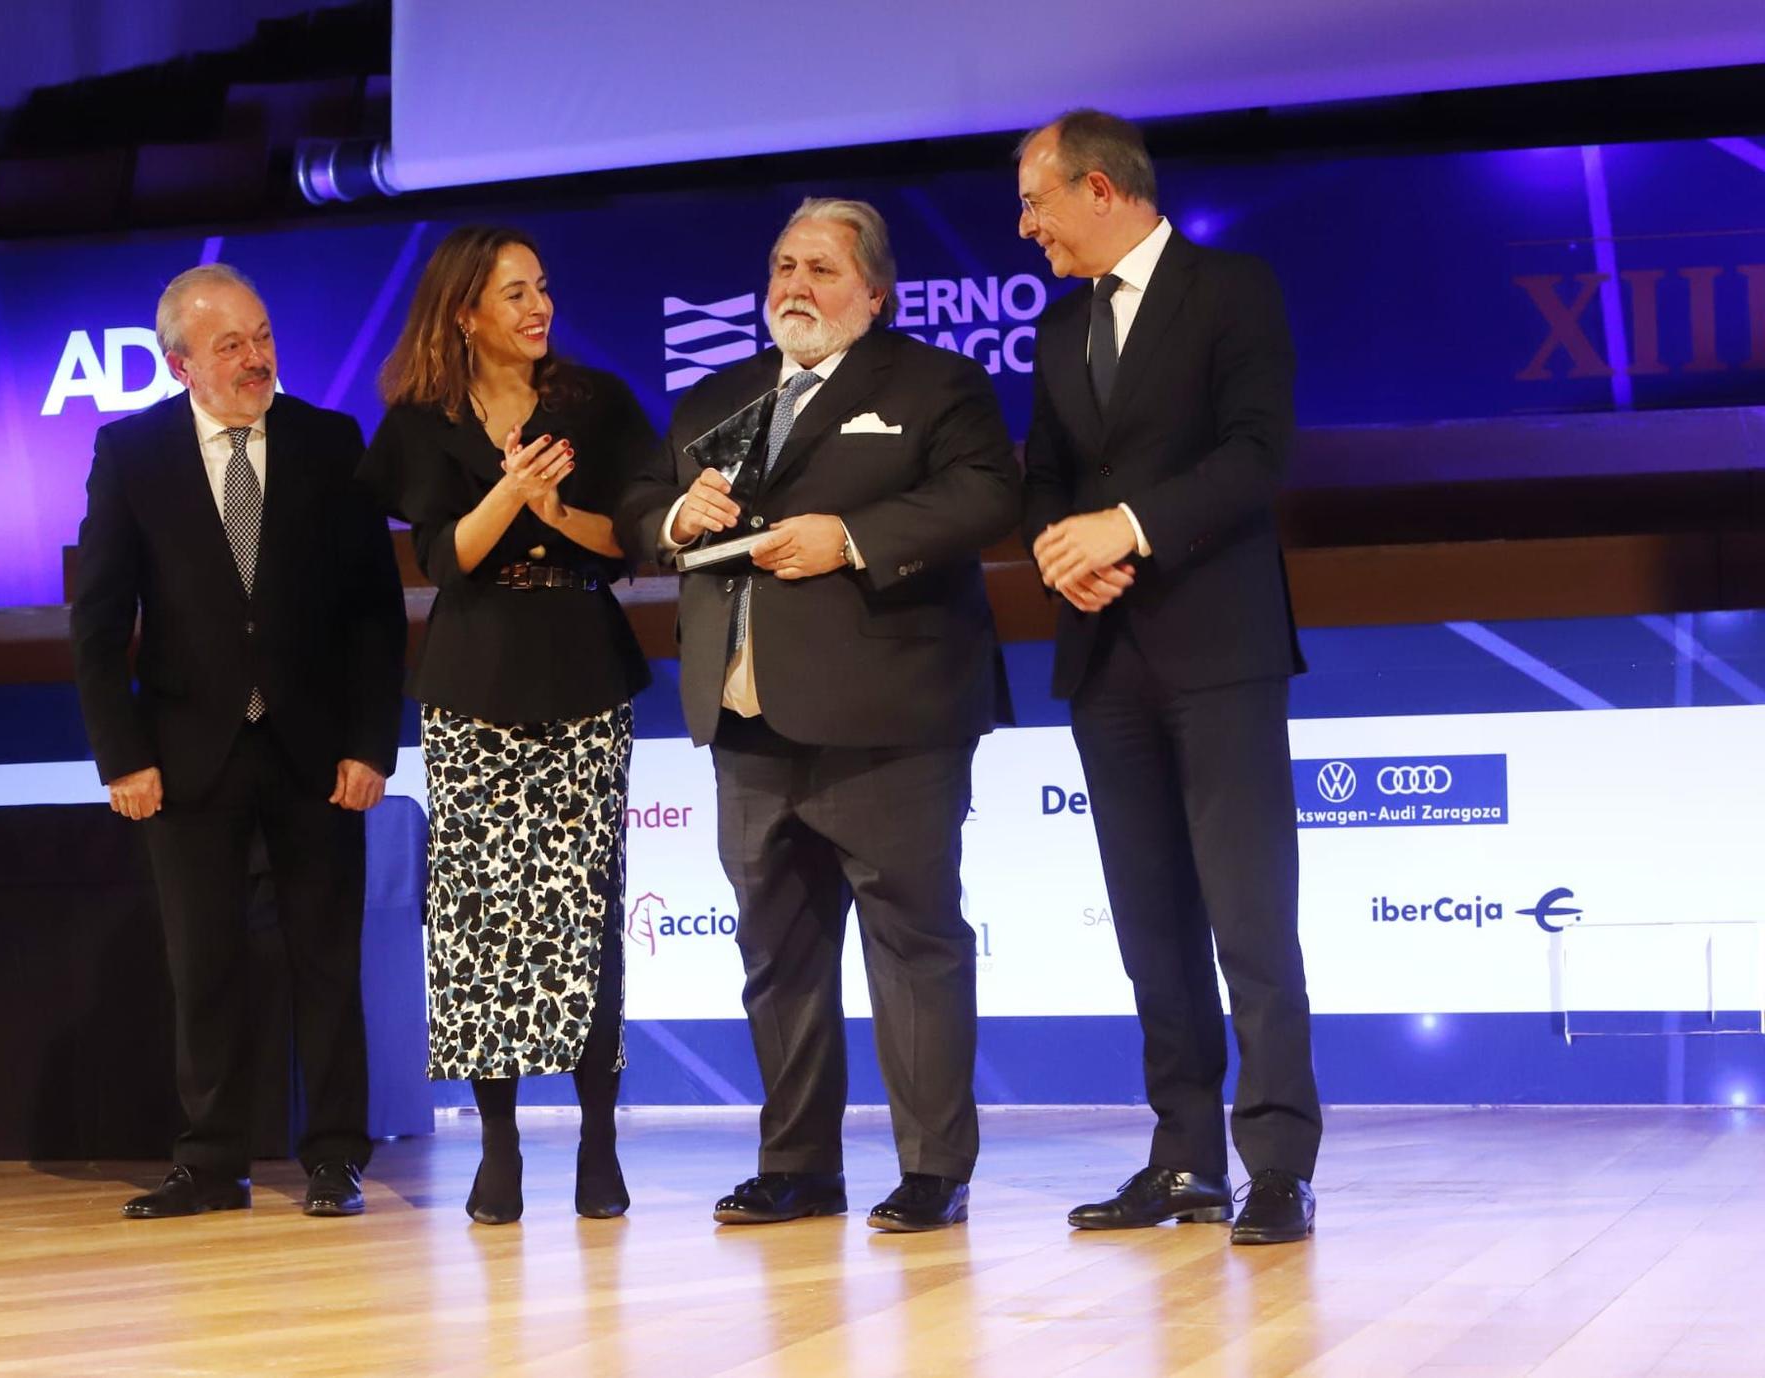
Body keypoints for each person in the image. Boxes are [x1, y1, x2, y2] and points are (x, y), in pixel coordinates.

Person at [618, 198, 1019, 1233]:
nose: (795, 286)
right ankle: (795, 1162)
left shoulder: (935, 386)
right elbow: (639, 507)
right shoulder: (716, 398)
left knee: (912, 945)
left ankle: (932, 1167)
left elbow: (985, 497)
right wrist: (672, 516)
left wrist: (846, 535)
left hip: (889, 723)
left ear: (874, 293)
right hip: (746, 724)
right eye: (782, 266)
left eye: (823, 270)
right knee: (776, 956)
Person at [1015, 110, 1321, 1245]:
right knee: (1150, 924)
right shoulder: (1057, 329)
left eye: (1036, 201)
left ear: (1099, 188)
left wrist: (1124, 530)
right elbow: (1040, 473)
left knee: (1248, 917)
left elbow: (1254, 454)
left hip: (1218, 649)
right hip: (1102, 658)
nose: (1024, 225)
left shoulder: (1232, 289)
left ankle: (1277, 1161)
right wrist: (1063, 552)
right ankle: (1183, 1156)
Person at [70, 263, 405, 1219]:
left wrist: (371, 744)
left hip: (316, 752)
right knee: (203, 965)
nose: (257, 357)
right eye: (231, 345)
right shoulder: (131, 454)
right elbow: (98, 618)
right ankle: (213, 1162)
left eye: (261, 335)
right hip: (183, 756)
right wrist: (121, 754)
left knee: (326, 962)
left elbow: (374, 616)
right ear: (181, 364)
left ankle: (337, 1154)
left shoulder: (330, 442)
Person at [357, 225, 654, 1225]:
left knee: (583, 915)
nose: (538, 308)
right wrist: (508, 491)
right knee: (481, 920)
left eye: (543, 288)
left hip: (579, 656)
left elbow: (628, 543)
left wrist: (555, 509)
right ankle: (496, 1145)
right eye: (514, 293)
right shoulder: (418, 422)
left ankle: (599, 1140)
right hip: (472, 671)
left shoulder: (593, 404)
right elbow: (443, 560)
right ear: (464, 313)